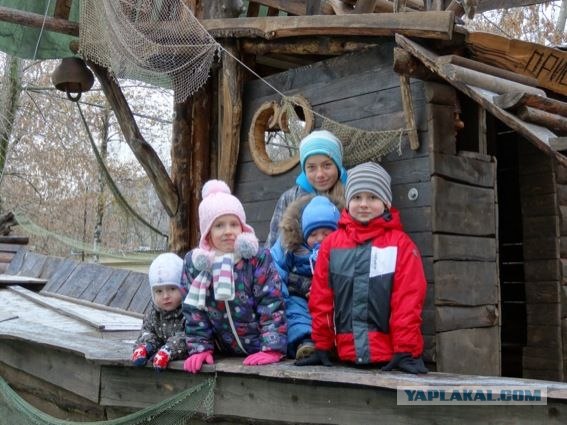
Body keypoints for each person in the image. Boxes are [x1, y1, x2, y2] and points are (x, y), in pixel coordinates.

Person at [296, 162, 428, 374]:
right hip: (343, 355)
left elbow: (408, 301)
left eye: (372, 197)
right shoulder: (332, 245)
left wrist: (406, 349)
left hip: (389, 357)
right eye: (357, 197)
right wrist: (322, 344)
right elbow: (321, 298)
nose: (364, 204)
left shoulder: (401, 245)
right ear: (348, 202)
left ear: (386, 202)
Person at [182, 179, 287, 374]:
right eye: (219, 225)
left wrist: (272, 348)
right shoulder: (196, 264)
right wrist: (200, 348)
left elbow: (271, 303)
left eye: (233, 224)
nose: (228, 231)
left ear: (243, 227)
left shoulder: (256, 258)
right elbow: (194, 311)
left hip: (259, 346)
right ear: (207, 232)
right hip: (223, 350)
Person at [270, 195, 342, 360]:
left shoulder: (340, 249)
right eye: (314, 234)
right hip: (300, 297)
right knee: (296, 312)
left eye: (326, 233)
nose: (320, 239)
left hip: (331, 298)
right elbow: (275, 269)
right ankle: (305, 341)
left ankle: (333, 344)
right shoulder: (292, 247)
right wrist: (283, 296)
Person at [265, 129, 347, 248]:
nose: (320, 174)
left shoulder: (351, 194)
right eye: (312, 167)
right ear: (304, 170)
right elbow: (273, 244)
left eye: (327, 165)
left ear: (338, 165)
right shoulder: (289, 198)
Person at [131, 252, 188, 370]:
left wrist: (169, 350)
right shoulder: (154, 312)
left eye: (172, 289)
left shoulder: (189, 312)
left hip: (178, 352)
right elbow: (146, 330)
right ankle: (145, 349)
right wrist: (147, 345)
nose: (166, 296)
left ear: (183, 287)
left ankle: (166, 352)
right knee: (149, 337)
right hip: (158, 348)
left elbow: (188, 337)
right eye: (159, 291)